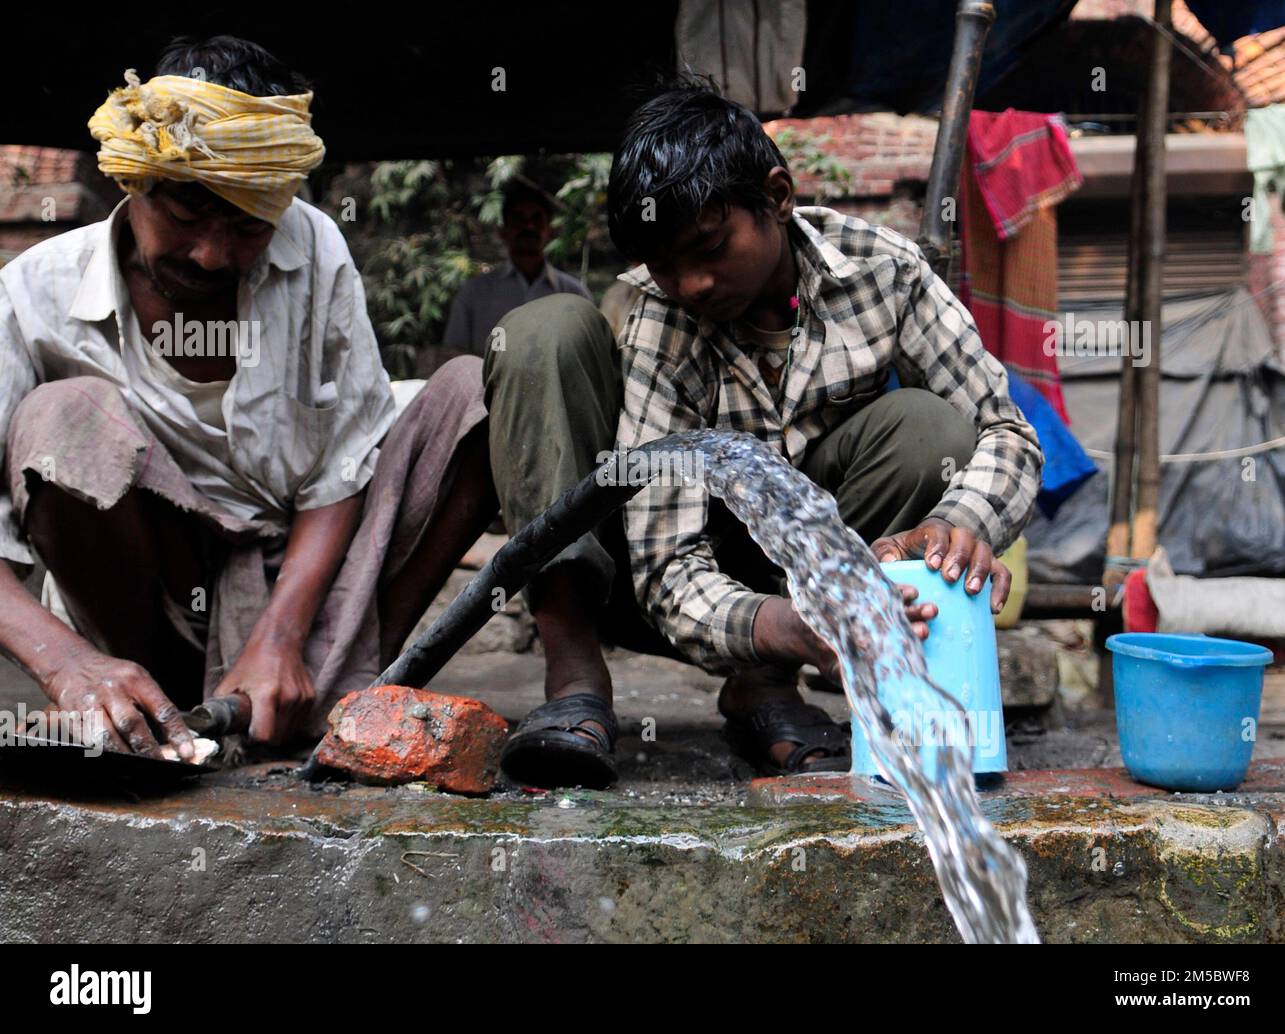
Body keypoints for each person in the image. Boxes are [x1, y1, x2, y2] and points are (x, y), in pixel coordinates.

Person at [482, 82, 1044, 789]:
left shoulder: (884, 273)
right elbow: (664, 570)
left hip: (806, 571)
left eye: (709, 248)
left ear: (777, 196)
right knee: (545, 328)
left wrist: (956, 525)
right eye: (663, 265)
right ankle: (575, 679)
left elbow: (1008, 433)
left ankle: (765, 687)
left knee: (930, 431)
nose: (690, 284)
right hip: (651, 590)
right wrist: (786, 623)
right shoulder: (666, 321)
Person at [0, 36, 498, 759]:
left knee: (475, 392)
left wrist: (280, 637)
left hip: (318, 600)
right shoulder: (30, 293)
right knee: (62, 415)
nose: (211, 255)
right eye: (188, 210)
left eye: (246, 223)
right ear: (130, 182)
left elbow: (342, 465)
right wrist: (69, 666)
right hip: (150, 601)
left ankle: (287, 687)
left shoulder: (316, 246)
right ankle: (144, 699)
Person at [444, 181, 591, 356]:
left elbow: (590, 358)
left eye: (537, 219)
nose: (529, 226)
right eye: (519, 219)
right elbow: (454, 356)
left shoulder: (575, 295)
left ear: (551, 232)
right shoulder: (474, 294)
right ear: (502, 231)